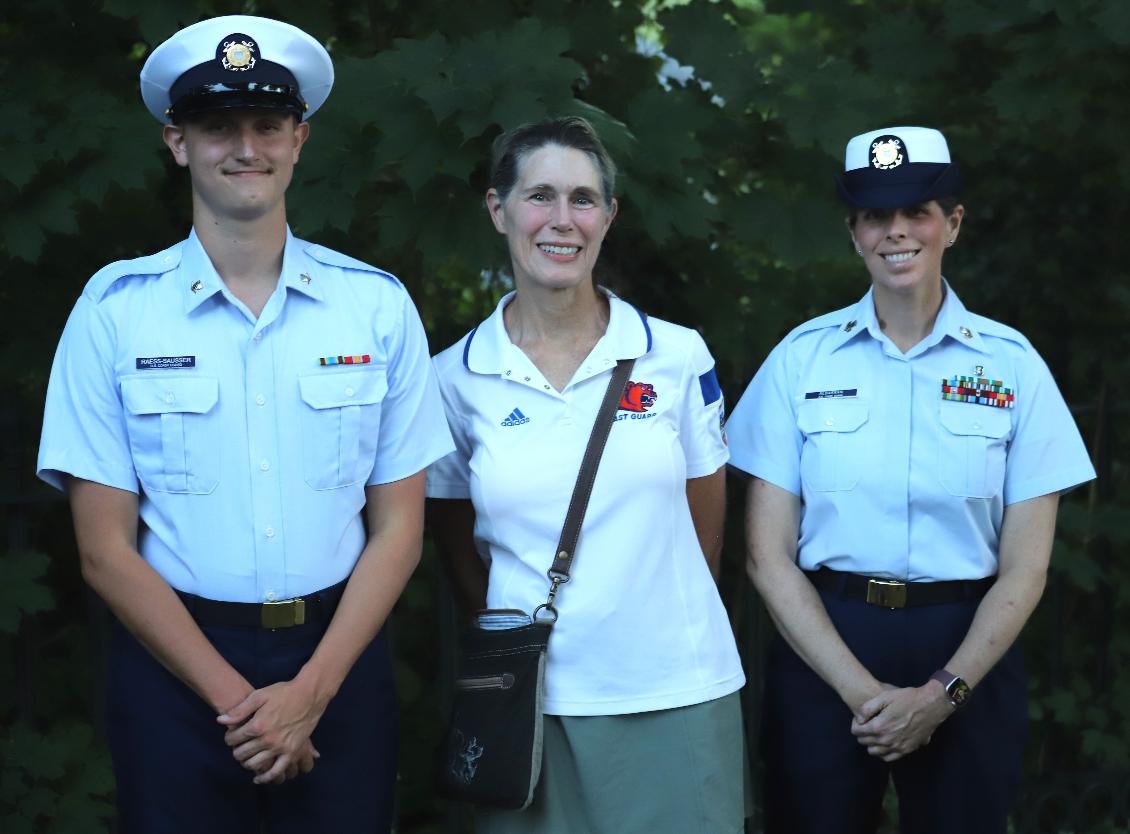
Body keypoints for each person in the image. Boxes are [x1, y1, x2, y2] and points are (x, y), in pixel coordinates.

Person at [36, 15, 453, 833]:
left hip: (338, 665)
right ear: (177, 142)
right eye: (217, 126)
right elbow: (102, 549)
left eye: (267, 125)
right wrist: (247, 708)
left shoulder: (374, 306)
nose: (245, 147)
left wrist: (310, 695)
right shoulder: (116, 313)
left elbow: (400, 528)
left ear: (299, 140)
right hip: (176, 675)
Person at [725, 125, 1097, 834]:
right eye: (875, 216)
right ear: (853, 233)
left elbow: (1027, 567)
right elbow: (765, 558)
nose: (896, 232)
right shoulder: (801, 361)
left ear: (952, 223)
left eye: (916, 212)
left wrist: (942, 694)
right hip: (826, 646)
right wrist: (861, 692)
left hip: (967, 648)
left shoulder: (1013, 366)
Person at [425, 116, 746, 833]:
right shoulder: (453, 378)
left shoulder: (676, 356)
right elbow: (453, 542)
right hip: (527, 705)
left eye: (583, 199)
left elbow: (705, 530)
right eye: (539, 195)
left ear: (609, 216)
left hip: (675, 691)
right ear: (497, 208)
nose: (561, 220)